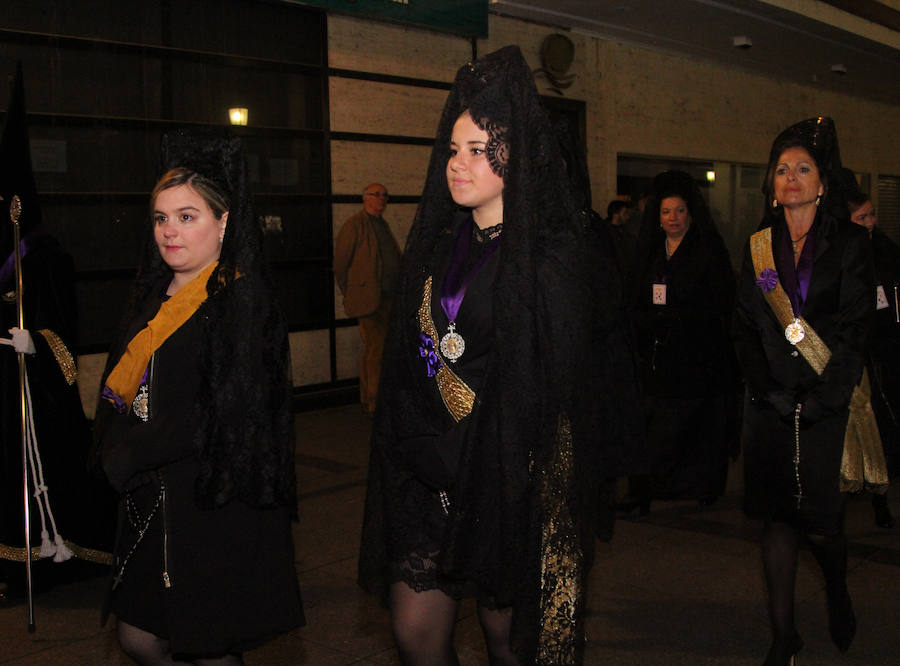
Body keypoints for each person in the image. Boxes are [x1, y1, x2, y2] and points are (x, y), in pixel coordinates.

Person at [358, 46, 624, 665]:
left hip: (506, 484)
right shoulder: (438, 245)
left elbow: (553, 389)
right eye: (453, 150)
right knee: (415, 635)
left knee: (509, 643)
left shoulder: (551, 258)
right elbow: (407, 361)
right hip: (427, 479)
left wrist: (471, 450)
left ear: (515, 157)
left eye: (478, 151)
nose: (458, 164)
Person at [93, 128, 304, 664]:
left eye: (187, 217)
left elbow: (219, 410)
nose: (170, 231)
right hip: (149, 498)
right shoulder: (152, 295)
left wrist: (131, 453)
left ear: (224, 221)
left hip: (208, 503)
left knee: (206, 645)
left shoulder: (240, 303)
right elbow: (125, 387)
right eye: (162, 218)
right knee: (139, 635)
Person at [734, 117, 883, 665]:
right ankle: (783, 635)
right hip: (769, 406)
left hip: (823, 405)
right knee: (776, 522)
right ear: (771, 185)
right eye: (781, 171)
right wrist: (766, 387)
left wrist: (828, 396)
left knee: (821, 525)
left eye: (803, 170)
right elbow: (744, 327)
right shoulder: (757, 248)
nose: (791, 179)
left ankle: (838, 590)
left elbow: (855, 327)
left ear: (822, 183)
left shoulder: (848, 245)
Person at [1, 62, 113, 598]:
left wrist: (36, 343)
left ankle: (51, 550)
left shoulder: (46, 259)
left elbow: (66, 341)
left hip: (39, 397)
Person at [622, 170, 739, 514]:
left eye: (679, 211)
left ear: (691, 214)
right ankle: (644, 490)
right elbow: (635, 297)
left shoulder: (708, 249)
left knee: (698, 426)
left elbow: (720, 300)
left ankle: (702, 487)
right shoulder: (649, 252)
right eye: (666, 212)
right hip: (657, 354)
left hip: (697, 354)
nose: (673, 219)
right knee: (652, 424)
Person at [846, 184, 898, 528]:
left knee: (880, 425)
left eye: (871, 214)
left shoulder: (885, 250)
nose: (869, 222)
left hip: (883, 350)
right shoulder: (844, 255)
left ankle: (880, 495)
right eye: (861, 216)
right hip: (853, 354)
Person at [334, 183, 402, 415]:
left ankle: (371, 396)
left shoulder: (381, 224)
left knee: (377, 350)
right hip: (370, 300)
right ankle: (375, 401)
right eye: (376, 195)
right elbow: (341, 265)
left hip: (387, 298)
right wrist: (354, 292)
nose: (382, 199)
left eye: (385, 195)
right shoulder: (355, 225)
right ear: (365, 198)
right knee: (376, 351)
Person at [604, 199, 638, 274]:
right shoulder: (605, 233)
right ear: (616, 214)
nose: (627, 217)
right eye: (625, 213)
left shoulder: (625, 232)